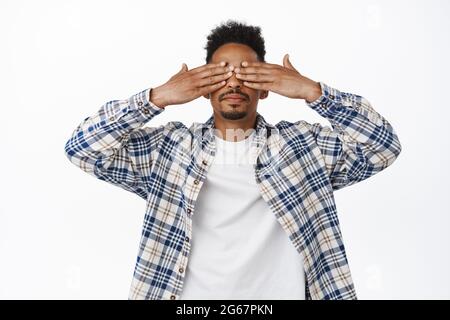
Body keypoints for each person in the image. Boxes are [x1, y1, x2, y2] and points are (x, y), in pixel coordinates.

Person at [64, 20, 402, 300]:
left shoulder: (303, 147)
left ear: (266, 87)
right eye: (221, 74)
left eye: (248, 73)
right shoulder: (169, 149)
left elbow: (382, 146)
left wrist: (313, 92)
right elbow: (82, 149)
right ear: (204, 87)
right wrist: (158, 97)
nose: (235, 83)